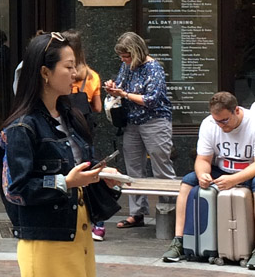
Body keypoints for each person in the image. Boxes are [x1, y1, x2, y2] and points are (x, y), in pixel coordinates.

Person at [0, 31, 122, 277]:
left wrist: (99, 175)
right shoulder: (22, 127)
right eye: (69, 66)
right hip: (45, 243)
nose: (77, 72)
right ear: (44, 72)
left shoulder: (70, 117)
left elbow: (79, 172)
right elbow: (16, 189)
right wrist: (63, 183)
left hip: (77, 236)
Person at [162, 92, 255, 264]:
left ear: (236, 110)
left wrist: (234, 180)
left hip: (249, 172)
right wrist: (202, 175)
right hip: (221, 171)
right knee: (188, 182)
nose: (221, 126)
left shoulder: (252, 122)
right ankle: (179, 240)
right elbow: (203, 159)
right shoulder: (209, 124)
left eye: (225, 120)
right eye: (217, 121)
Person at [105, 31, 175, 229]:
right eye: (121, 56)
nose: (123, 60)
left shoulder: (154, 68)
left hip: (155, 121)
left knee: (161, 167)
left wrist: (124, 94)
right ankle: (137, 213)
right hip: (132, 122)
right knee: (133, 168)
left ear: (136, 52)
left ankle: (169, 212)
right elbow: (121, 86)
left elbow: (151, 100)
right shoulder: (127, 66)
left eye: (126, 56)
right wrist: (113, 88)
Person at [63, 31, 104, 241]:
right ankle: (99, 223)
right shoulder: (92, 76)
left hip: (66, 128)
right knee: (90, 169)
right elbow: (97, 108)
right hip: (85, 129)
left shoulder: (62, 76)